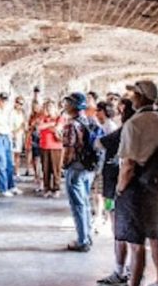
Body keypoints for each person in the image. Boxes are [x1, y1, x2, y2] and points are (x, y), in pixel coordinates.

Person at [105, 80, 158, 286]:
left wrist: (120, 189)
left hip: (135, 189)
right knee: (154, 236)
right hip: (155, 187)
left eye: (133, 93)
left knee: (135, 244)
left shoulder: (134, 124)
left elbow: (129, 164)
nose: (130, 96)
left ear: (141, 97)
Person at [96, 98, 136, 286]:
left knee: (119, 230)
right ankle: (133, 269)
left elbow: (99, 144)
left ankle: (121, 272)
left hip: (116, 188)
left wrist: (119, 188)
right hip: (135, 189)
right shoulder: (142, 131)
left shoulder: (125, 131)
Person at [62, 92, 98, 252]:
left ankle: (82, 240)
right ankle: (87, 236)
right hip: (88, 167)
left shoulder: (71, 125)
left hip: (76, 167)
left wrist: (65, 165)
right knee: (85, 202)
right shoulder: (89, 121)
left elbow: (69, 148)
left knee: (77, 204)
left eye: (67, 103)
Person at [92, 101, 118, 231]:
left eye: (98, 111)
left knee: (106, 195)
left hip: (107, 165)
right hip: (100, 165)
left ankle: (107, 218)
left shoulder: (110, 127)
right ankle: (99, 215)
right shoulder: (102, 125)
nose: (96, 113)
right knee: (98, 193)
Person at [39, 100, 64, 198]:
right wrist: (51, 125)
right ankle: (47, 188)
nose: (49, 109)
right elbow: (39, 127)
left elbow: (58, 128)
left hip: (56, 146)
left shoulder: (59, 118)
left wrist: (48, 126)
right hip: (44, 145)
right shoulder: (42, 117)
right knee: (45, 169)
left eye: (51, 107)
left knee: (56, 169)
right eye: (47, 107)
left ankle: (56, 188)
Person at [27, 101, 44, 191]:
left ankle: (42, 182)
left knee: (40, 161)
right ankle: (37, 179)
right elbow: (30, 128)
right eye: (34, 107)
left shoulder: (42, 115)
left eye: (36, 106)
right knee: (35, 160)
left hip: (41, 139)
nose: (35, 108)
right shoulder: (31, 116)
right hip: (34, 139)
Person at [11, 96, 27, 180]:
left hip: (19, 136)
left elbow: (24, 125)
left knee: (17, 155)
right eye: (18, 102)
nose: (19, 105)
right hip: (12, 135)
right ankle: (11, 173)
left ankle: (17, 173)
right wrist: (15, 131)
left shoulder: (22, 113)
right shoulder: (11, 112)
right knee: (11, 154)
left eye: (21, 104)